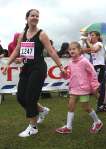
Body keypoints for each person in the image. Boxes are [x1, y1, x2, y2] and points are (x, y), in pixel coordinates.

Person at [2, 9, 64, 137]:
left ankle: (33, 127)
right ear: (27, 18)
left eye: (37, 16)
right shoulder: (22, 34)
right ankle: (42, 110)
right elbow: (18, 50)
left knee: (31, 97)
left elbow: (51, 51)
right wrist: (8, 63)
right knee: (20, 97)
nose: (35, 17)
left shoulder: (42, 34)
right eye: (32, 15)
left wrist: (61, 66)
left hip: (38, 68)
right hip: (26, 68)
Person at [56, 41, 103, 134]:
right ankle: (68, 127)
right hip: (74, 88)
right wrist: (64, 73)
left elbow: (93, 73)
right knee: (70, 106)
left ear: (80, 50)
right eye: (70, 49)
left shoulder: (84, 61)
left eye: (74, 49)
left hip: (83, 89)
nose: (71, 51)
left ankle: (98, 122)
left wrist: (94, 87)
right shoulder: (70, 63)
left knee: (86, 107)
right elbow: (68, 75)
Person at [82, 31, 106, 112]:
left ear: (97, 36)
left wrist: (87, 41)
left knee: (97, 87)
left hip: (100, 66)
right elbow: (84, 50)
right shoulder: (92, 44)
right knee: (95, 87)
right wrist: (84, 41)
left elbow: (94, 50)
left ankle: (103, 105)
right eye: (90, 35)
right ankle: (103, 104)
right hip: (94, 66)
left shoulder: (99, 43)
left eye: (92, 35)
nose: (91, 36)